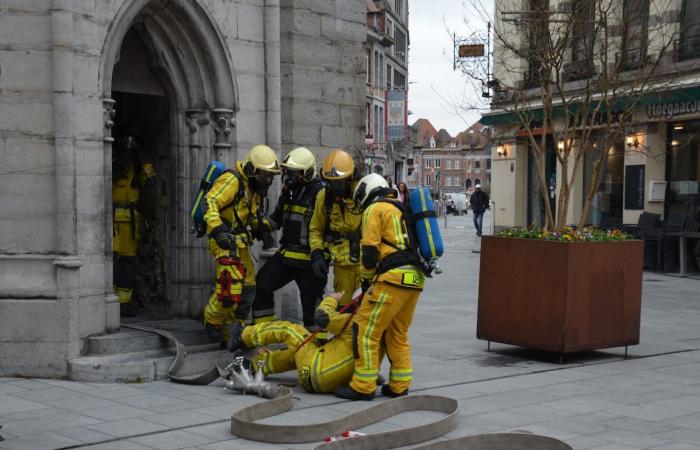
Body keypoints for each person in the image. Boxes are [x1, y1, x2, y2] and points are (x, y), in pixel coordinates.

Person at [335, 173, 425, 401]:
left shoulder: (374, 210)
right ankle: (399, 385)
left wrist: (365, 280)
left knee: (365, 331)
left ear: (367, 192)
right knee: (398, 333)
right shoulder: (401, 208)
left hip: (391, 279)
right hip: (414, 279)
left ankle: (363, 386)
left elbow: (370, 253)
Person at [201, 145, 280, 345]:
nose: (268, 180)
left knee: (249, 289)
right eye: (266, 175)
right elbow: (209, 202)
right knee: (231, 288)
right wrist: (217, 229)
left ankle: (233, 330)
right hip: (224, 239)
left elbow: (248, 218)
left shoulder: (253, 190)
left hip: (240, 242)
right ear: (253, 170)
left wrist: (261, 230)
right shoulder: (232, 180)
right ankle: (212, 320)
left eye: (271, 176)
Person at [251, 147, 326, 328]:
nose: (289, 177)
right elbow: (277, 219)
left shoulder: (320, 193)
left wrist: (321, 256)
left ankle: (316, 348)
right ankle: (264, 331)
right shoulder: (289, 191)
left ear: (306, 172)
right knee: (263, 284)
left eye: (293, 173)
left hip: (309, 261)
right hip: (287, 256)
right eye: (287, 172)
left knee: (312, 307)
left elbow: (325, 228)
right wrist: (260, 228)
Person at [230, 291, 357, 393]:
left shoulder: (357, 322)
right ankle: (253, 366)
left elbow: (323, 316)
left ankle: (243, 336)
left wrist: (332, 299)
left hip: (314, 366)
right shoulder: (374, 339)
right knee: (296, 353)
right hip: (317, 383)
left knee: (290, 330)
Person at [112, 126, 157, 317]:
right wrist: (122, 160)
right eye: (127, 142)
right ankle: (109, 299)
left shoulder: (138, 166)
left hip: (131, 221)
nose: (130, 146)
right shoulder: (113, 158)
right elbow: (110, 176)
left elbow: (151, 182)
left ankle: (124, 301)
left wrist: (143, 159)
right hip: (112, 219)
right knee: (112, 260)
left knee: (128, 262)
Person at [309, 149, 363, 307]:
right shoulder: (324, 198)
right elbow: (316, 230)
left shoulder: (363, 195)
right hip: (341, 268)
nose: (335, 186)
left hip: (366, 265)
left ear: (350, 177)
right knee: (344, 313)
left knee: (366, 312)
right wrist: (317, 253)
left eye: (340, 182)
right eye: (331, 182)